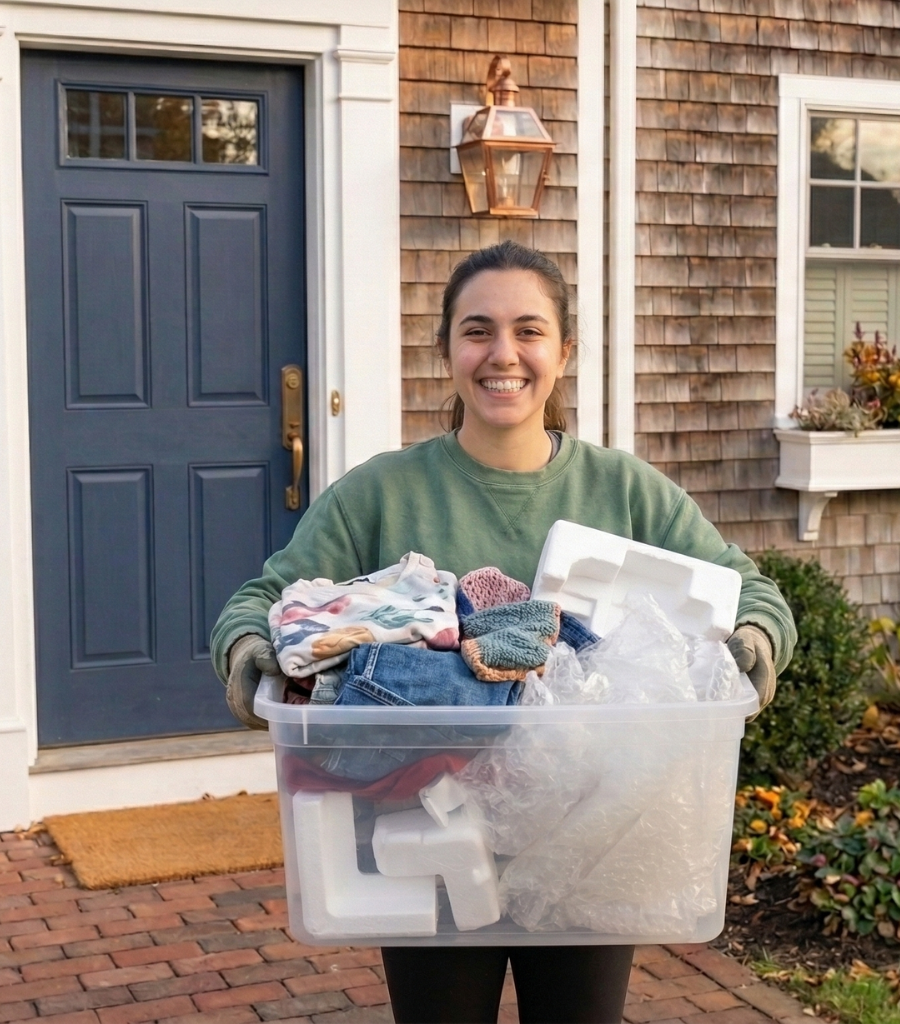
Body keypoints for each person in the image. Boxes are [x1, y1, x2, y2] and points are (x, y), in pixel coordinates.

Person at [211, 239, 797, 1024]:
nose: (503, 355)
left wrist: (746, 649)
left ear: (563, 351)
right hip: (420, 833)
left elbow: (752, 593)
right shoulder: (382, 494)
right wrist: (257, 661)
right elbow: (266, 601)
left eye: (528, 330)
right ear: (448, 349)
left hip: (590, 841)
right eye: (478, 330)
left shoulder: (621, 491)